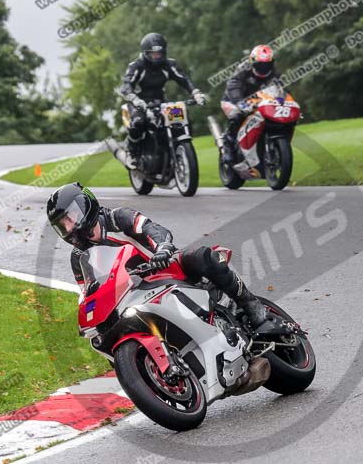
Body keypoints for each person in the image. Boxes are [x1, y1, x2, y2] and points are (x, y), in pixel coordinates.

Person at [46, 182, 269, 328]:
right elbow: (86, 293)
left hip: (165, 268)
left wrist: (162, 248)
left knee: (203, 256)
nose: (69, 227)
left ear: (85, 205)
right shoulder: (78, 258)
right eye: (62, 225)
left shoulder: (117, 218)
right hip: (132, 295)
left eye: (70, 217)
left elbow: (152, 229)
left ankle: (249, 302)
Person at [120, 33, 206, 166]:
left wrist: (195, 93)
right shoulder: (136, 65)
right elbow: (126, 85)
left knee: (180, 119)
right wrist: (135, 100)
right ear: (145, 53)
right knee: (138, 123)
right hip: (138, 101)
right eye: (153, 53)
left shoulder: (169, 64)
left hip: (160, 100)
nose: (157, 56)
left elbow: (184, 79)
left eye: (159, 53)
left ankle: (174, 146)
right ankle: (132, 151)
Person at [221, 44, 280, 163]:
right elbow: (233, 86)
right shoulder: (243, 69)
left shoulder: (274, 73)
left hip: (258, 100)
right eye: (260, 65)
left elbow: (281, 89)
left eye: (267, 65)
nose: (264, 68)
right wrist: (240, 103)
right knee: (237, 116)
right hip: (233, 100)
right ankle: (228, 143)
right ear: (252, 62)